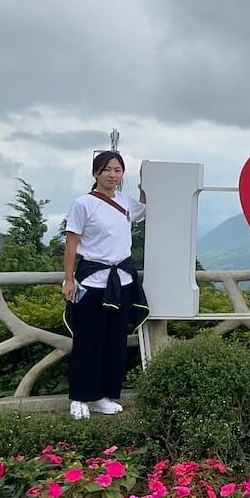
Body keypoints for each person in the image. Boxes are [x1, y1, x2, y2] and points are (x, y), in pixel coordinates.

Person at [61, 151, 149, 419]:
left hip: (121, 280)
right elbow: (72, 243)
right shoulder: (83, 204)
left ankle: (104, 395)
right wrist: (68, 278)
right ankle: (79, 397)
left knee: (114, 341)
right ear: (96, 172)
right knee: (88, 339)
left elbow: (144, 209)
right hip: (92, 281)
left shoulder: (125, 202)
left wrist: (147, 180)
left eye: (118, 170)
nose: (112, 175)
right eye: (107, 169)